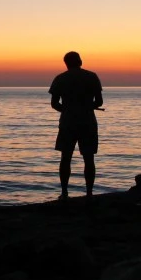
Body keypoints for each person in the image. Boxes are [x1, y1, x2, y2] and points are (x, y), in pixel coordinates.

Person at [49, 51, 103, 200]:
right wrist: (86, 106)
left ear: (66, 63)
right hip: (88, 122)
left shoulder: (60, 79)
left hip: (67, 122)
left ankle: (65, 193)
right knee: (89, 158)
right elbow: (99, 102)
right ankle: (89, 193)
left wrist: (67, 110)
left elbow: (54, 104)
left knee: (65, 157)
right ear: (80, 61)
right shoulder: (92, 77)